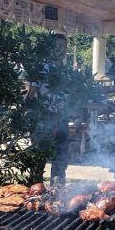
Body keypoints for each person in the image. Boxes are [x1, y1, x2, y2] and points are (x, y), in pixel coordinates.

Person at [28, 33, 72, 184]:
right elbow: (31, 94)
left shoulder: (67, 71)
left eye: (63, 46)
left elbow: (70, 97)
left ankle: (57, 191)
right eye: (57, 46)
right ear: (50, 47)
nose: (60, 49)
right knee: (39, 158)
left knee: (61, 158)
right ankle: (36, 189)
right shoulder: (41, 68)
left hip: (62, 119)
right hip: (44, 118)